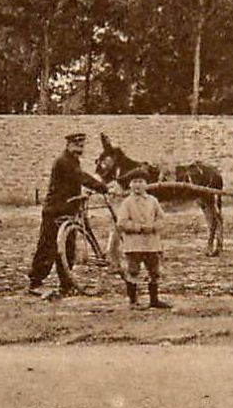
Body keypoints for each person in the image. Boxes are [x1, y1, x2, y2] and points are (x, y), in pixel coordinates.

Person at [30, 131, 111, 297]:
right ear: (68, 145)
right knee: (48, 247)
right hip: (55, 210)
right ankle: (35, 282)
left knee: (68, 249)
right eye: (76, 145)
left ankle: (66, 284)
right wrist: (102, 187)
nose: (79, 148)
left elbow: (77, 179)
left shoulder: (73, 161)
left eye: (82, 146)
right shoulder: (63, 161)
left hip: (69, 209)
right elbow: (80, 177)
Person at [116, 168, 171, 309]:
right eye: (134, 182)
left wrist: (153, 227)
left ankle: (154, 300)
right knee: (133, 271)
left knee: (154, 271)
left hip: (152, 243)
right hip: (133, 244)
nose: (138, 185)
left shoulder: (153, 201)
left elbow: (162, 219)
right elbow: (121, 222)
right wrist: (138, 228)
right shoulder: (127, 202)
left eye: (141, 181)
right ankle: (133, 301)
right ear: (130, 185)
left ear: (146, 184)